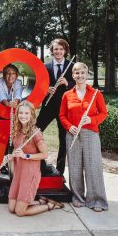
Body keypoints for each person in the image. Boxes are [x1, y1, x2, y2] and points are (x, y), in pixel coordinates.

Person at [59, 62, 108, 212]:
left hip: (90, 134)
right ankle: (78, 197)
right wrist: (69, 126)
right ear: (72, 75)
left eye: (83, 73)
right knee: (74, 166)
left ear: (87, 75)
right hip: (72, 133)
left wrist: (91, 120)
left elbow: (103, 113)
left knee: (93, 166)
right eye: (77, 73)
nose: (80, 76)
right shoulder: (67, 95)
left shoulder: (95, 94)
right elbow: (62, 115)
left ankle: (97, 200)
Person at [8, 101, 62, 216]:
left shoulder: (36, 133)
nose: (23, 116)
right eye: (21, 113)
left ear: (32, 115)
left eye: (26, 113)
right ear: (17, 114)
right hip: (19, 174)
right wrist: (11, 157)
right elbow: (16, 149)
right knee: (11, 208)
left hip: (29, 174)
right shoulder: (16, 130)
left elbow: (45, 155)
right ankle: (40, 201)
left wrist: (25, 156)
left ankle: (50, 205)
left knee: (19, 212)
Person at [36, 38, 75, 176]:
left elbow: (79, 84)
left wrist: (68, 83)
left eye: (61, 49)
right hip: (47, 107)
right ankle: (39, 166)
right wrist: (46, 89)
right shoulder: (45, 67)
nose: (58, 51)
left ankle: (60, 171)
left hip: (65, 108)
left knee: (63, 139)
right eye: (55, 49)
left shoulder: (72, 66)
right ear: (52, 51)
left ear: (65, 51)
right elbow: (39, 85)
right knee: (35, 132)